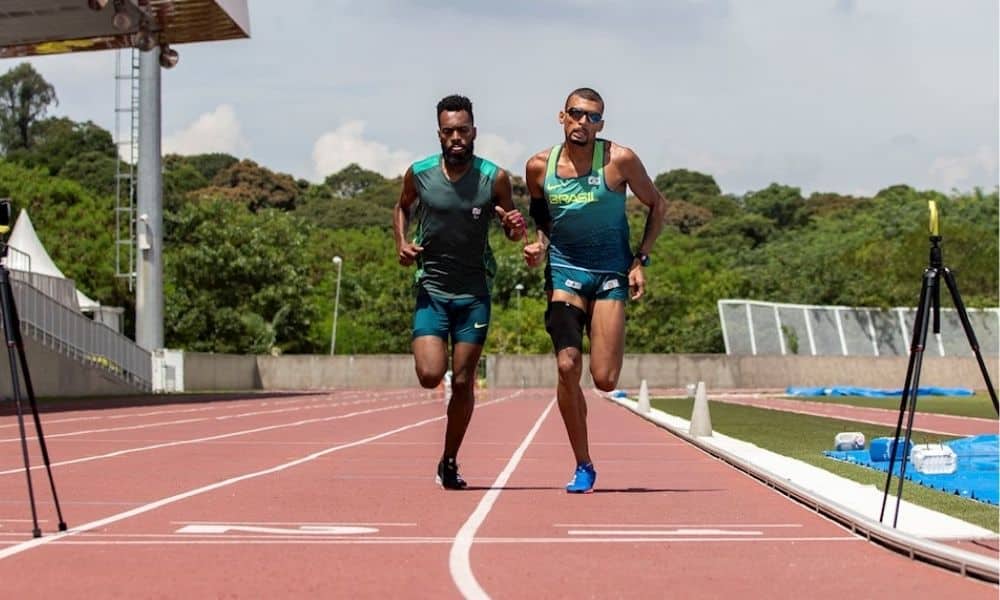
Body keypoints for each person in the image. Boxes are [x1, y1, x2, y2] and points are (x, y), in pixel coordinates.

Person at [523, 87, 667, 493]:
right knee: (568, 365)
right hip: (565, 271)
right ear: (561, 117)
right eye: (576, 114)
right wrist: (539, 244)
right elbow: (541, 212)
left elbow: (658, 205)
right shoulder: (538, 167)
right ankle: (583, 463)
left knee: (603, 379)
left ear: (601, 124)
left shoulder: (619, 160)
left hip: (609, 273)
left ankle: (586, 445)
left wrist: (641, 259)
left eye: (592, 117)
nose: (582, 122)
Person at [393, 94, 526, 490]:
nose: (456, 137)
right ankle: (437, 369)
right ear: (439, 133)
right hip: (432, 290)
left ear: (474, 132)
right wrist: (401, 242)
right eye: (449, 131)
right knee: (431, 375)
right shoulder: (419, 174)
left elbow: (512, 225)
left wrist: (515, 228)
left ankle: (449, 460)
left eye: (463, 130)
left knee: (464, 381)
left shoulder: (493, 177)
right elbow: (401, 208)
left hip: (473, 294)